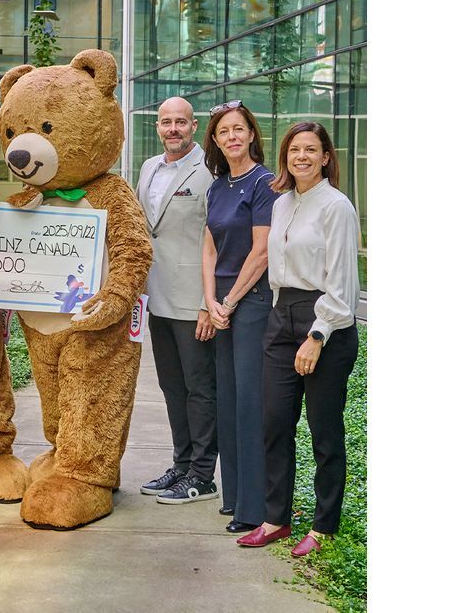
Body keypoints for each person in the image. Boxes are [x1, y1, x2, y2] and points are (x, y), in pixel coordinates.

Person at [236, 122, 360, 556]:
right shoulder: (281, 203)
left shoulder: (336, 207)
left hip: (324, 323)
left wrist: (317, 335)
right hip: (281, 317)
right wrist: (279, 317)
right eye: (294, 150)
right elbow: (277, 267)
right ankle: (276, 519)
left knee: (325, 433)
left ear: (326, 157)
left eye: (311, 150)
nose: (301, 157)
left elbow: (342, 284)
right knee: (274, 424)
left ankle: (324, 526)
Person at [201, 99, 278, 534]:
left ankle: (254, 507)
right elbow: (209, 247)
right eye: (223, 131)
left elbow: (261, 252)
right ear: (215, 139)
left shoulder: (264, 183)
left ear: (251, 134)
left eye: (238, 129)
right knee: (227, 401)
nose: (231, 136)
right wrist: (210, 301)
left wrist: (229, 303)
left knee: (249, 403)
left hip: (251, 305)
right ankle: (233, 498)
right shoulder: (217, 186)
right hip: (224, 305)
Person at [136, 97, 218, 505]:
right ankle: (181, 464)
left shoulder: (210, 171)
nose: (173, 129)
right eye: (166, 122)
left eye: (181, 123)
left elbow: (217, 240)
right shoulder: (149, 168)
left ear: (194, 125)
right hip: (157, 298)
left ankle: (203, 475)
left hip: (192, 302)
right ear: (157, 126)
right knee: (171, 387)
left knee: (199, 389)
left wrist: (209, 301)